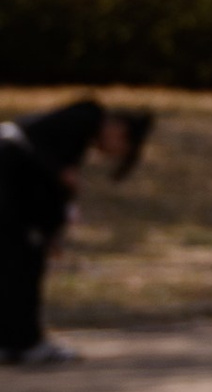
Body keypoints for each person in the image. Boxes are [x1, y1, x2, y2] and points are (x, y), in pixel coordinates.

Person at [0, 100, 151, 367]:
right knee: (23, 269)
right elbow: (32, 140)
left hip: (18, 200)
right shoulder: (86, 114)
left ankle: (13, 342)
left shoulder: (72, 143)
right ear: (119, 130)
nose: (110, 154)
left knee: (19, 267)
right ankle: (27, 342)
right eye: (120, 148)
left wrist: (52, 233)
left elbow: (53, 193)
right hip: (9, 188)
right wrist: (60, 171)